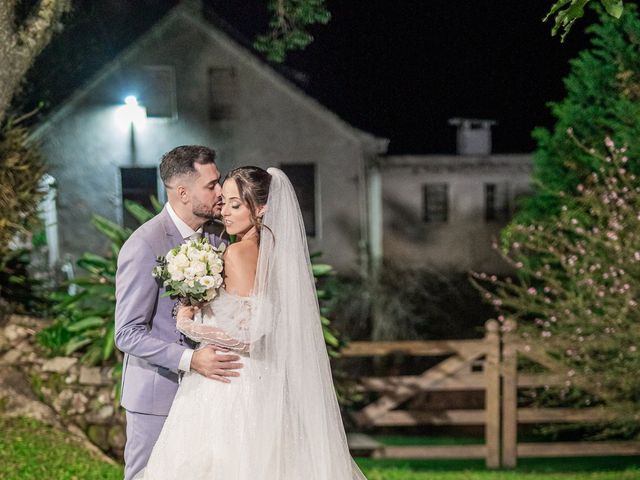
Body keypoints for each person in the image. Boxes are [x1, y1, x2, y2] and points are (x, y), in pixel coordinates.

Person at [134, 166, 366, 479]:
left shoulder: (237, 252)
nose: (225, 213)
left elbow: (249, 334)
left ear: (260, 209)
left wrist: (188, 325)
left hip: (231, 379)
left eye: (235, 205)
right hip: (264, 379)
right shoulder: (276, 255)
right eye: (224, 202)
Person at [114, 146, 243, 480]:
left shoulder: (219, 237)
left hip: (210, 392)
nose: (221, 192)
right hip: (158, 396)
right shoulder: (144, 244)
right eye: (212, 185)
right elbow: (127, 333)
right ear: (183, 193)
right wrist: (190, 360)